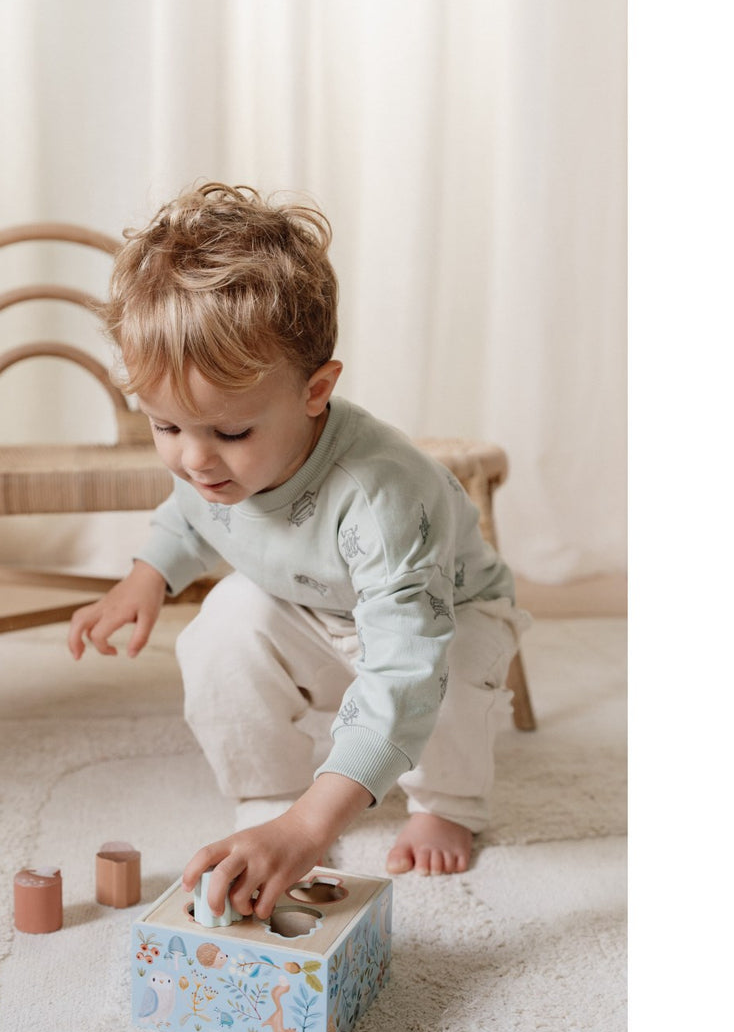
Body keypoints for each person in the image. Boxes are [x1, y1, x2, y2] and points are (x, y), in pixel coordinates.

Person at [67, 182, 530, 923]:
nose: (194, 459)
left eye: (230, 433)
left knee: (445, 675)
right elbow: (190, 514)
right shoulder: (207, 463)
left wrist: (316, 828)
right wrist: (146, 576)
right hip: (313, 605)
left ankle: (448, 803)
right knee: (219, 628)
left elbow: (404, 668)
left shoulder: (379, 496)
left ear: (316, 392)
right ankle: (270, 792)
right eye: (166, 427)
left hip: (440, 612)